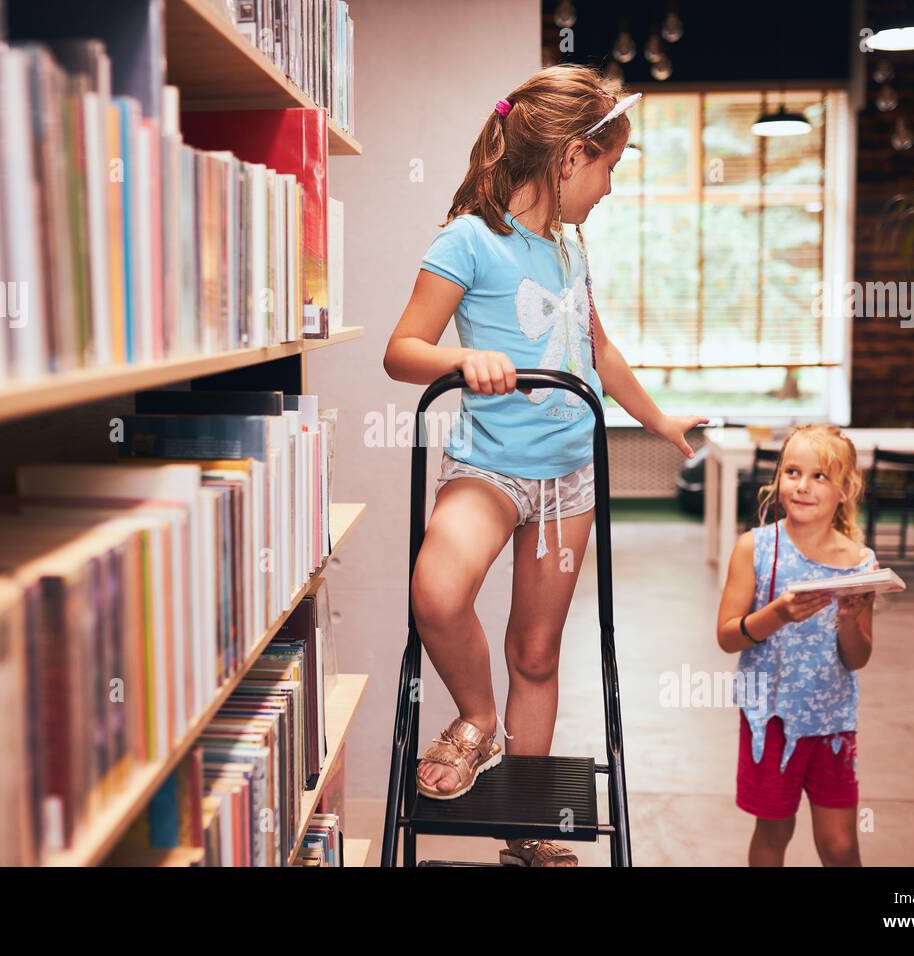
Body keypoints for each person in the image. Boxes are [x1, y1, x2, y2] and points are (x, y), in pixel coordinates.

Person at [383, 64, 706, 867]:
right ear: (569, 159)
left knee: (537, 649)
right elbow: (402, 350)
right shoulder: (469, 237)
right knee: (437, 590)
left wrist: (659, 420)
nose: (608, 189)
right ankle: (478, 722)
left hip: (570, 480)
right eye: (606, 170)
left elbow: (598, 350)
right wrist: (463, 361)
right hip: (490, 469)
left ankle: (523, 833)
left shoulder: (571, 249)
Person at [715, 424, 878, 866]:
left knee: (841, 844)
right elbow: (727, 635)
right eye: (792, 472)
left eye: (820, 476)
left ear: (845, 489)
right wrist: (778, 614)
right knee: (773, 830)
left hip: (833, 723)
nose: (803, 486)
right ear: (779, 479)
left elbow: (857, 657)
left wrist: (847, 620)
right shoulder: (755, 548)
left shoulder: (860, 564)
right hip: (769, 722)